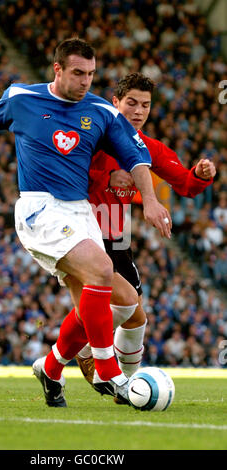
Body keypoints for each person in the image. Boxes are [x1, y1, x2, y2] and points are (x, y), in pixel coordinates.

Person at [0, 39, 171, 408]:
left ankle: (50, 367)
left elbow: (136, 156)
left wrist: (151, 201)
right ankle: (111, 373)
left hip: (79, 211)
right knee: (101, 269)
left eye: (91, 75)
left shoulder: (101, 112)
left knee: (125, 303)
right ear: (57, 69)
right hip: (39, 208)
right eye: (78, 73)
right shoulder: (20, 98)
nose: (85, 82)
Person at [74, 72, 216, 397]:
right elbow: (64, 171)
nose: (138, 111)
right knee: (126, 307)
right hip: (83, 231)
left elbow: (185, 184)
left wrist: (200, 173)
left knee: (137, 318)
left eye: (146, 105)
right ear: (115, 103)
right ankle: (79, 356)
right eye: (131, 103)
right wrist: (107, 175)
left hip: (117, 237)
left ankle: (124, 383)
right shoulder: (92, 136)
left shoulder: (147, 147)